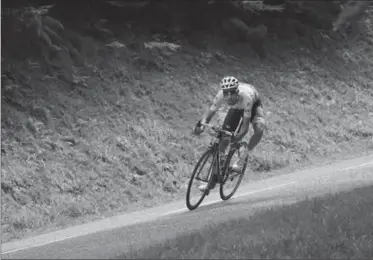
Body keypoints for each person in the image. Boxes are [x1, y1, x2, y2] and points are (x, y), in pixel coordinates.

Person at [194, 76, 265, 192]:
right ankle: (212, 181)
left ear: (236, 92)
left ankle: (243, 156)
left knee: (259, 128)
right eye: (225, 93)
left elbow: (245, 127)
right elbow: (210, 113)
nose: (228, 97)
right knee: (223, 138)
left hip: (252, 104)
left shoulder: (246, 97)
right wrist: (202, 124)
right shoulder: (221, 95)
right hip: (236, 108)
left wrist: (237, 138)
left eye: (231, 93)